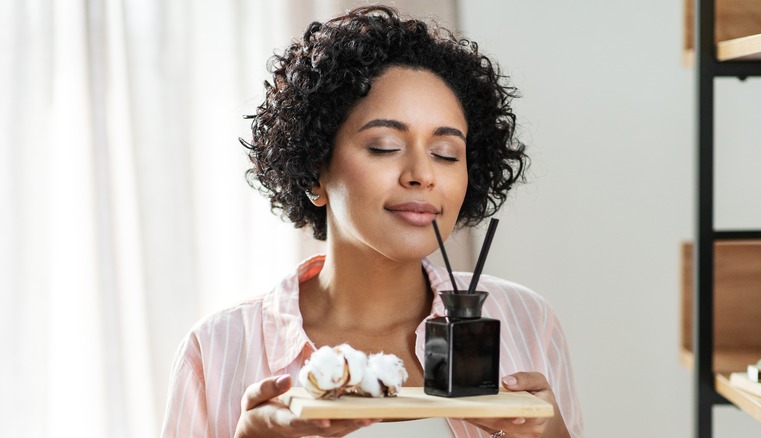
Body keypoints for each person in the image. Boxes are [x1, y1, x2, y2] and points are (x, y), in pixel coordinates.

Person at [161, 5, 583, 437]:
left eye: (446, 153)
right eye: (383, 146)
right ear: (314, 171)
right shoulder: (217, 350)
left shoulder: (526, 321)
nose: (422, 174)